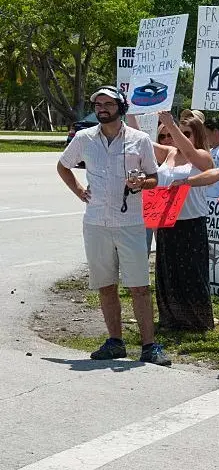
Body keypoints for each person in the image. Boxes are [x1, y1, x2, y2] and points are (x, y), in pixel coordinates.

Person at [56, 86, 170, 365]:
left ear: (120, 107)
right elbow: (63, 166)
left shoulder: (139, 139)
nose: (102, 108)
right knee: (105, 285)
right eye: (98, 104)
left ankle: (149, 346)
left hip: (130, 223)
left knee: (139, 286)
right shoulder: (84, 138)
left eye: (108, 104)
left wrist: (141, 183)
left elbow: (154, 177)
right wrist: (80, 191)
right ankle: (115, 342)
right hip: (95, 222)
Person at [153, 112, 215, 331]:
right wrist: (130, 117)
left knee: (192, 273)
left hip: (191, 221)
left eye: (187, 133)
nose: (178, 137)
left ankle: (196, 321)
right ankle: (170, 318)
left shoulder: (202, 156)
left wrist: (171, 125)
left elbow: (188, 151)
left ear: (197, 135)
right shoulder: (170, 153)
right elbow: (143, 140)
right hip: (165, 219)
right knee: (167, 273)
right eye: (178, 133)